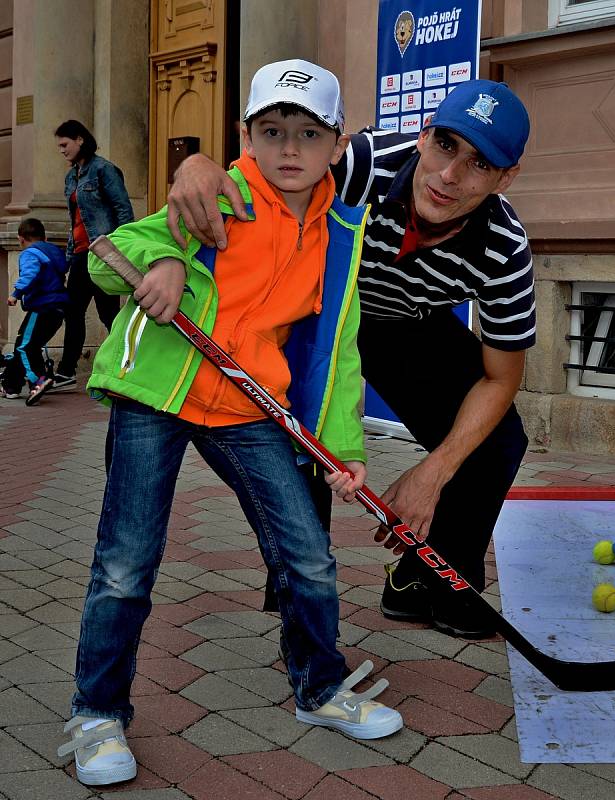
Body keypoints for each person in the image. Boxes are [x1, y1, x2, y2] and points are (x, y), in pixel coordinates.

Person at [57, 59, 402, 788]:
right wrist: (168, 262)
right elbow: (108, 265)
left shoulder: (342, 229)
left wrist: (342, 446)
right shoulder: (219, 191)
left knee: (306, 554)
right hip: (160, 393)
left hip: (248, 406)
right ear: (245, 134)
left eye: (308, 134)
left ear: (338, 144)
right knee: (125, 564)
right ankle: (97, 713)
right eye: (272, 130)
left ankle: (318, 687)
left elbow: (339, 344)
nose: (288, 149)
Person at [167, 79, 536, 640]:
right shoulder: (361, 163)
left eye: (480, 164)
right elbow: (264, 174)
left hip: (407, 327)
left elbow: (500, 376)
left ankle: (431, 579)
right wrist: (196, 165)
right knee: (306, 435)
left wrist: (432, 472)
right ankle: (300, 594)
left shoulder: (504, 247)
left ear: (506, 178)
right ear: (422, 135)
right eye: (445, 146)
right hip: (317, 312)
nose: (449, 176)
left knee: (498, 440)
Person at [52, 120, 134, 391]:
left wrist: (120, 249)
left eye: (65, 144)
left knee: (109, 314)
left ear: (80, 140)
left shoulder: (104, 170)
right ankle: (67, 371)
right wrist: (67, 257)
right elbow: (74, 220)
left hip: (102, 254)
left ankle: (128, 365)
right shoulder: (71, 176)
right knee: (73, 312)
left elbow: (123, 210)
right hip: (79, 256)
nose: (61, 150)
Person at [1, 218, 68, 406]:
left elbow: (30, 273)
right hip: (58, 308)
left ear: (21, 239)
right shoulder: (54, 251)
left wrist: (16, 294)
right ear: (44, 237)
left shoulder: (30, 253)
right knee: (28, 346)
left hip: (42, 306)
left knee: (24, 346)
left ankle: (38, 380)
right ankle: (11, 386)